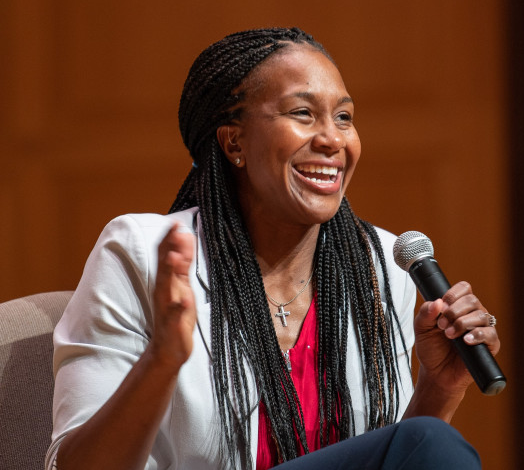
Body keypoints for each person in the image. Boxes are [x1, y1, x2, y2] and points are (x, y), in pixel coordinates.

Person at [46, 28, 500, 470]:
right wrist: (162, 361)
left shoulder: (379, 264)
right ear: (234, 142)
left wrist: (439, 389)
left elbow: (392, 459)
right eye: (303, 113)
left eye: (343, 117)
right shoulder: (142, 253)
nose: (333, 140)